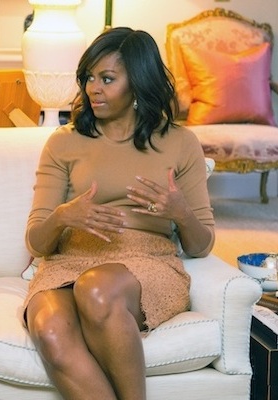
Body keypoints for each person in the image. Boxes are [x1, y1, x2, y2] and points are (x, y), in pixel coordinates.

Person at [23, 27, 215, 400]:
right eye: (89, 78)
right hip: (70, 261)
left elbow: (202, 244)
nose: (93, 88)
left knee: (96, 289)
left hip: (147, 262)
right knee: (48, 328)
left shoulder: (179, 143)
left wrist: (180, 213)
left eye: (107, 79)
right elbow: (36, 241)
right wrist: (63, 216)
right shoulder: (64, 142)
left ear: (138, 83)